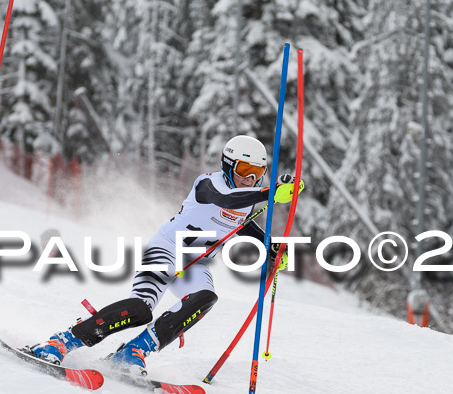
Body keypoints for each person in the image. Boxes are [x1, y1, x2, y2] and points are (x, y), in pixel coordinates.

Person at [28, 135, 303, 374]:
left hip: (195, 265)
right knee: (140, 310)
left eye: (257, 172)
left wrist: (274, 249)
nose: (250, 179)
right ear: (228, 165)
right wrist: (271, 193)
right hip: (165, 249)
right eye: (244, 170)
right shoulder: (209, 185)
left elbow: (245, 227)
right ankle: (62, 341)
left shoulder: (247, 201)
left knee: (205, 298)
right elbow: (225, 201)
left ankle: (133, 352)